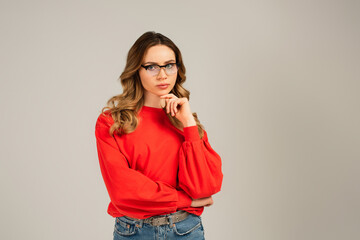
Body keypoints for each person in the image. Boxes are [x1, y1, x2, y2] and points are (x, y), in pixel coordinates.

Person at [95, 31, 223, 240]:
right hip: (134, 232)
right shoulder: (112, 122)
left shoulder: (187, 122)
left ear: (178, 69)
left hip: (186, 230)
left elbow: (204, 188)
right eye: (152, 67)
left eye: (169, 65)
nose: (162, 75)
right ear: (136, 70)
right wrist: (186, 200)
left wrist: (189, 124)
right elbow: (124, 191)